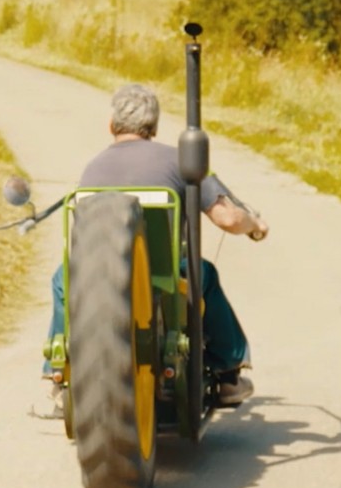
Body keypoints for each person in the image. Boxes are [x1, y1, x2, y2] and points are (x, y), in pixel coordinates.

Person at [44, 84, 268, 406]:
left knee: (61, 279)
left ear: (111, 125)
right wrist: (256, 225)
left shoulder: (93, 169)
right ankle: (227, 373)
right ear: (154, 127)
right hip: (164, 274)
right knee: (205, 276)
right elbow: (228, 219)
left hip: (101, 274)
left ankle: (59, 372)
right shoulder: (179, 161)